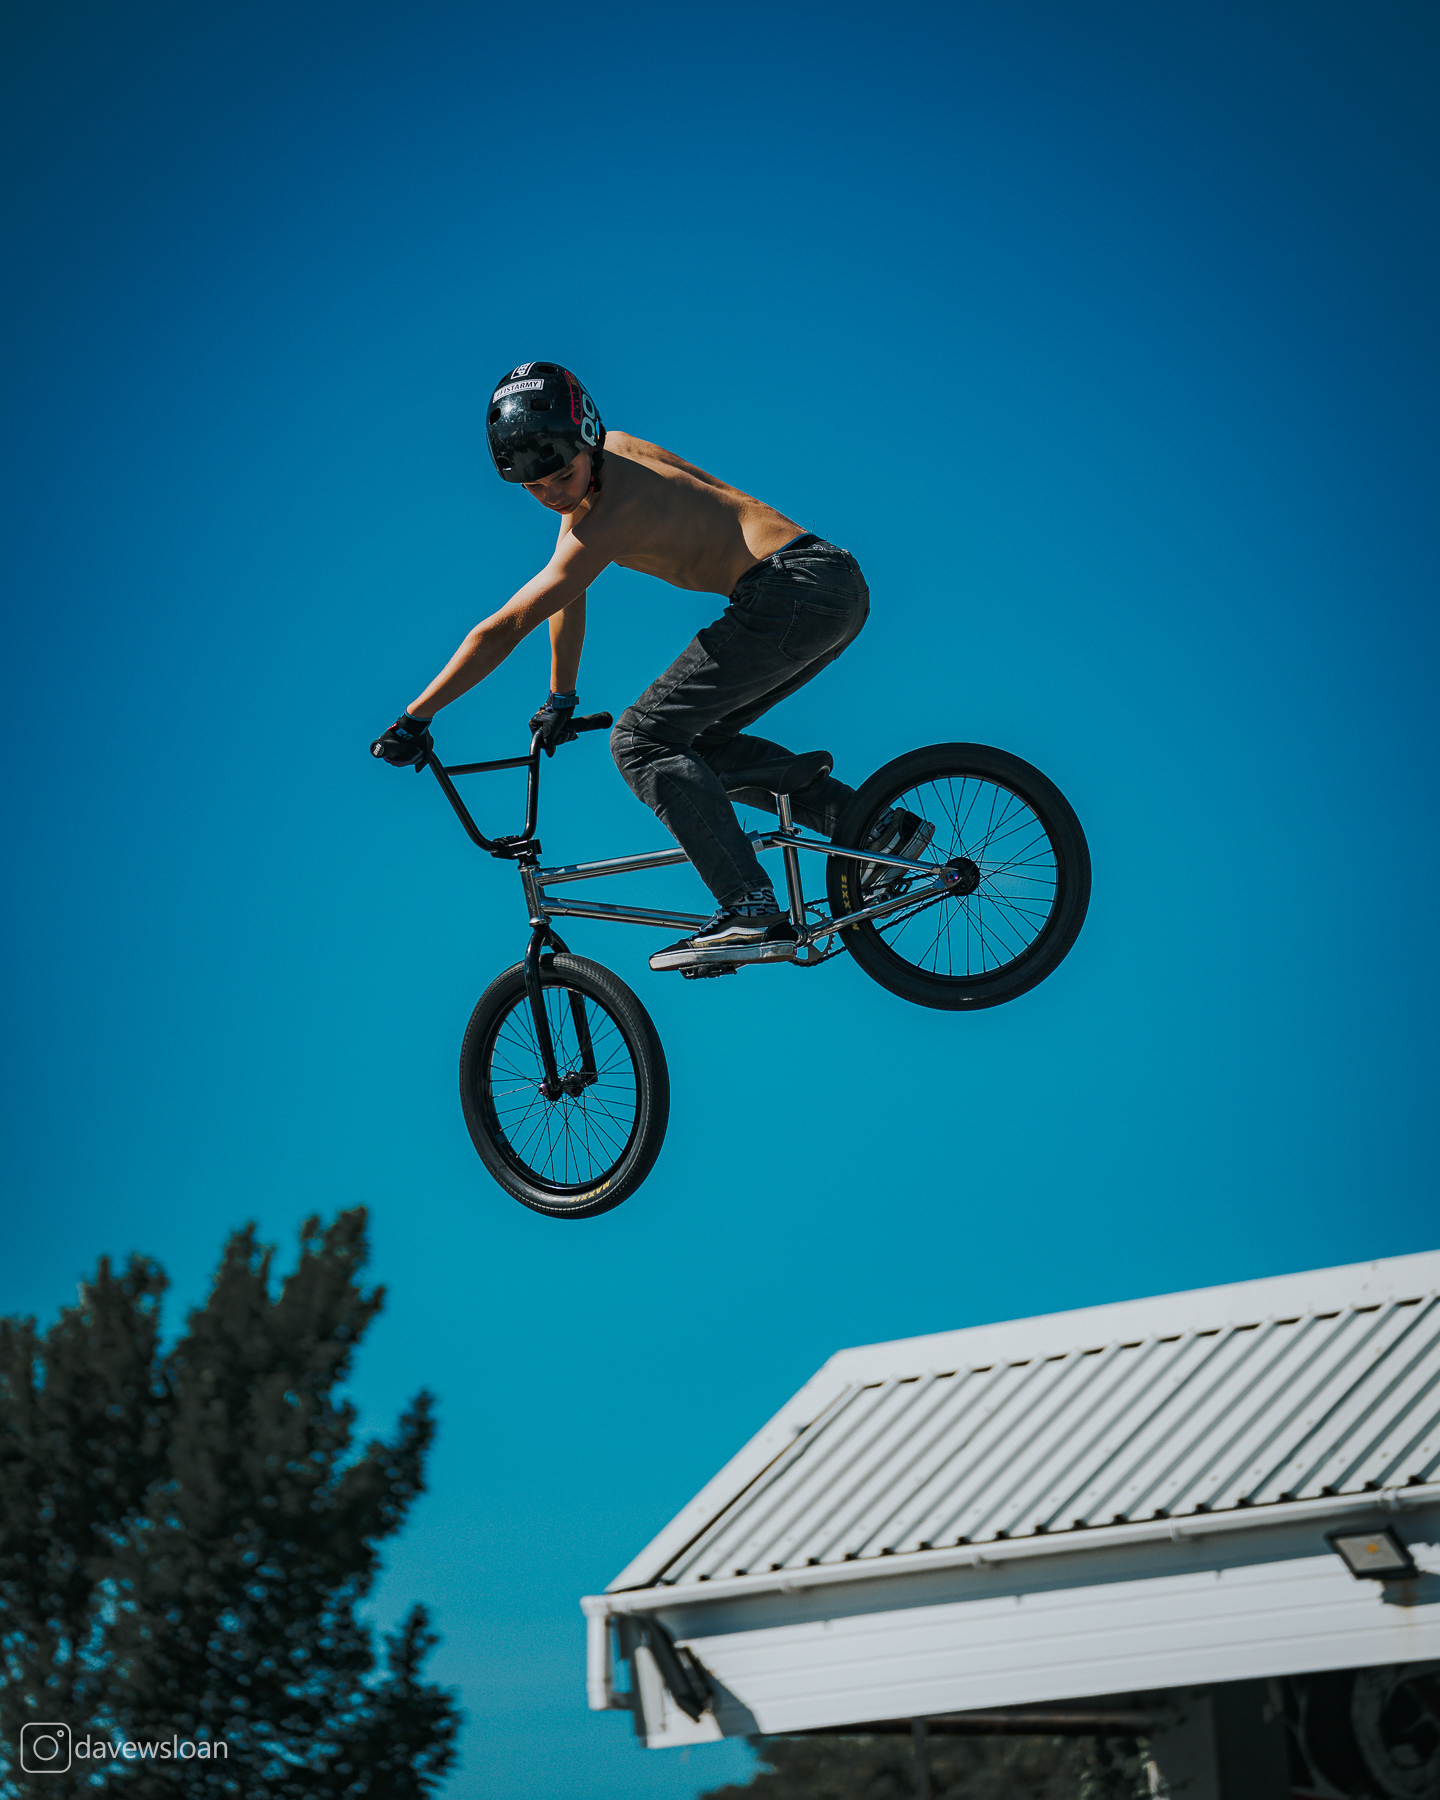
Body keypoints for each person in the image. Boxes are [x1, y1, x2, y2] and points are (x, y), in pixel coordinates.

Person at [372, 362, 931, 971]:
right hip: (830, 585)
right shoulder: (611, 456)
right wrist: (561, 697)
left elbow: (504, 628)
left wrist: (415, 718)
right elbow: (567, 595)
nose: (554, 494)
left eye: (561, 476)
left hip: (787, 592)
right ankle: (874, 830)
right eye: (535, 488)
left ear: (586, 440)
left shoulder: (613, 514)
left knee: (638, 741)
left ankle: (747, 904)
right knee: (698, 746)